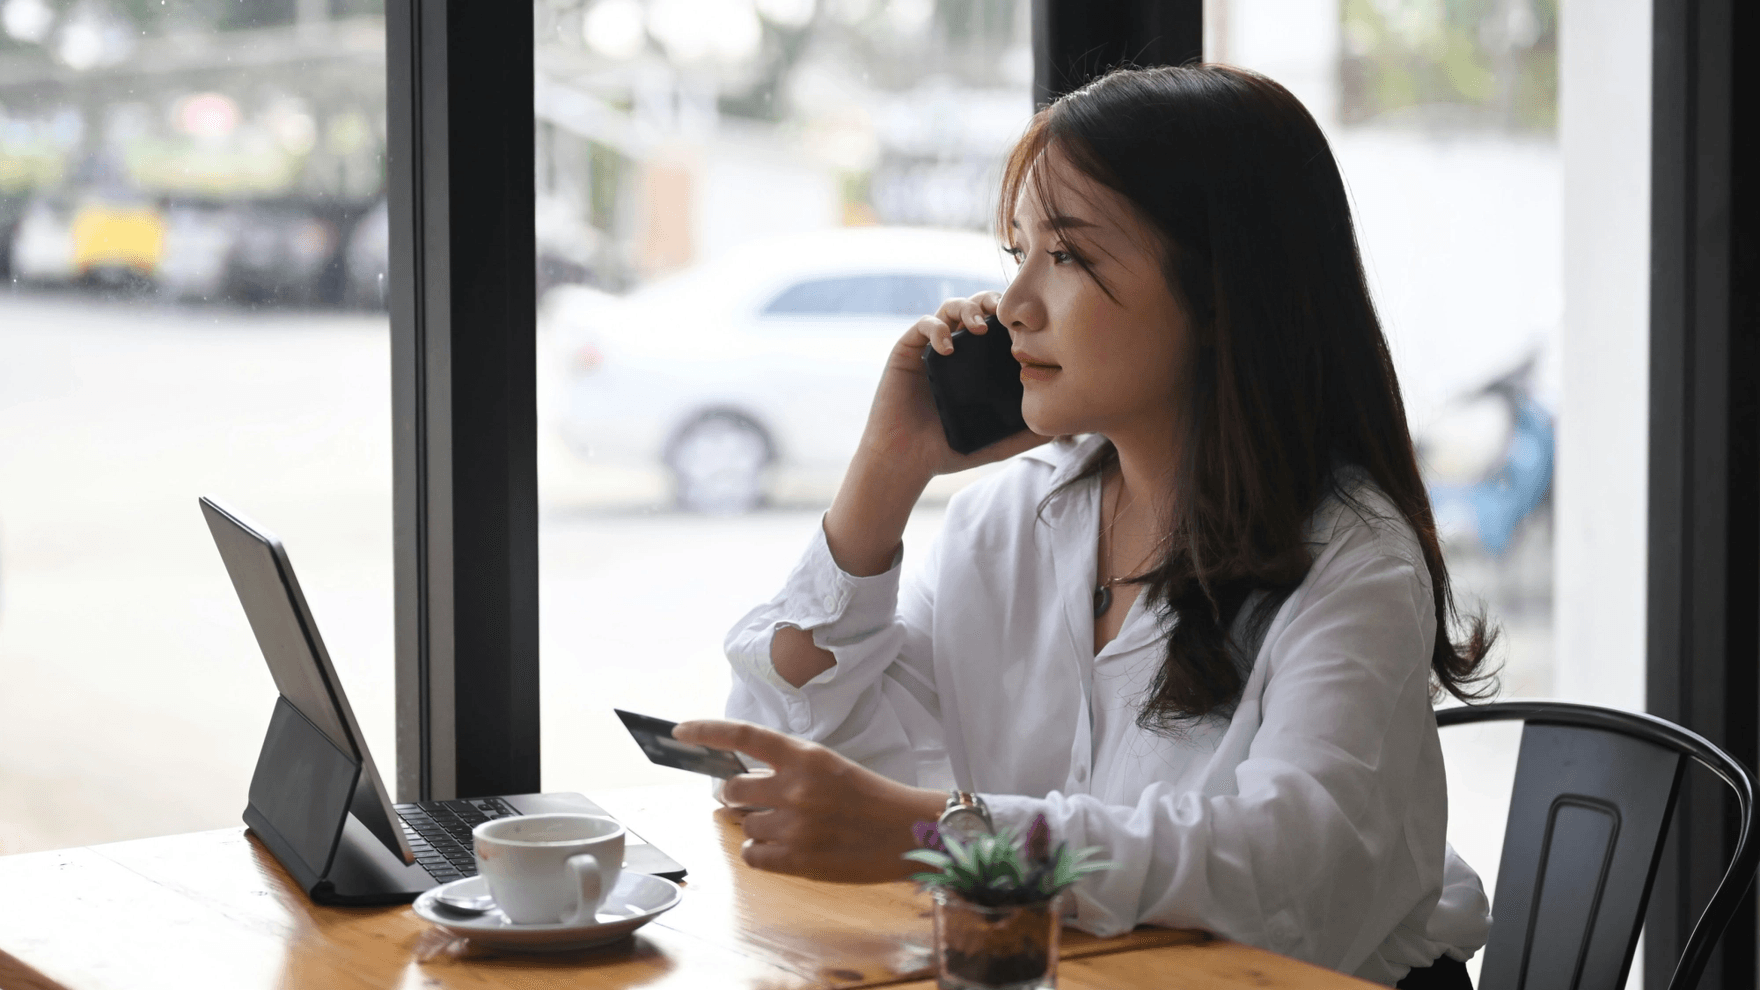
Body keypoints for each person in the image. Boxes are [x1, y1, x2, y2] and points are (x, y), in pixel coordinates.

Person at [674, 63, 1496, 987]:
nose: (1015, 304)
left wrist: (937, 834)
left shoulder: (1352, 559)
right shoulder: (1010, 520)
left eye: (1066, 256)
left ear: (1223, 293)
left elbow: (1291, 871)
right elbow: (788, 781)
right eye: (1015, 251)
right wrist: (884, 473)